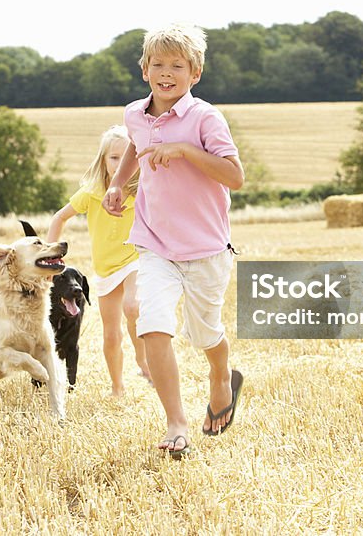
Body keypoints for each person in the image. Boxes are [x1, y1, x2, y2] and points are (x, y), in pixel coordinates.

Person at [102, 23, 245, 459]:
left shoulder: (205, 118)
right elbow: (134, 145)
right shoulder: (134, 114)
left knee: (205, 334)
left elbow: (235, 177)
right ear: (144, 69)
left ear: (194, 73)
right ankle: (176, 423)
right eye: (158, 64)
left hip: (205, 249)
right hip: (154, 243)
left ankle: (222, 376)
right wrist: (118, 184)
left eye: (177, 66)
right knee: (151, 323)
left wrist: (185, 151)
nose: (167, 73)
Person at [47, 125, 150, 397]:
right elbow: (59, 218)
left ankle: (143, 359)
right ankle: (118, 387)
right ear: (103, 161)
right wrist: (51, 257)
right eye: (113, 158)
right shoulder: (91, 192)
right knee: (110, 335)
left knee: (133, 306)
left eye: (127, 156)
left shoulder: (142, 189)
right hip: (105, 268)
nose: (119, 164)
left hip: (134, 257)